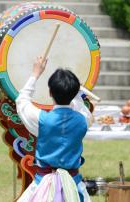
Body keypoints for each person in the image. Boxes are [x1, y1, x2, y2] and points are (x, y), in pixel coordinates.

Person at [16, 56, 92, 202]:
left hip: (42, 186)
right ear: (75, 91)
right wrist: (76, 93)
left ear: (50, 93)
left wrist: (35, 74)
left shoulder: (41, 120)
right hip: (75, 186)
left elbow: (22, 100)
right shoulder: (83, 120)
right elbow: (80, 107)